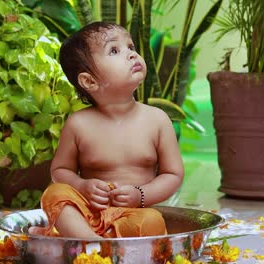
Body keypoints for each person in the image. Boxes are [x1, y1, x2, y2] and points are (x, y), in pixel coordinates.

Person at [30, 21, 184, 239]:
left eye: (131, 47)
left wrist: (140, 195)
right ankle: (92, 240)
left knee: (153, 221)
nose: (131, 54)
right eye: (114, 50)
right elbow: (60, 171)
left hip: (133, 216)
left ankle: (80, 240)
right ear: (89, 81)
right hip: (89, 214)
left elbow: (173, 174)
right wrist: (82, 186)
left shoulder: (157, 120)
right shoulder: (79, 124)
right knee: (54, 194)